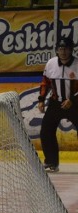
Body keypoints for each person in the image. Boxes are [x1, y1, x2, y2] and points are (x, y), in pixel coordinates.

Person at [37, 36, 78, 173]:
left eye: (66, 48)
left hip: (75, 104)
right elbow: (45, 82)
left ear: (71, 50)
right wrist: (41, 99)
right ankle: (51, 162)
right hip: (55, 103)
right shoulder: (51, 63)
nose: (63, 52)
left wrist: (72, 100)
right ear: (56, 50)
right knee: (46, 131)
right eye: (60, 49)